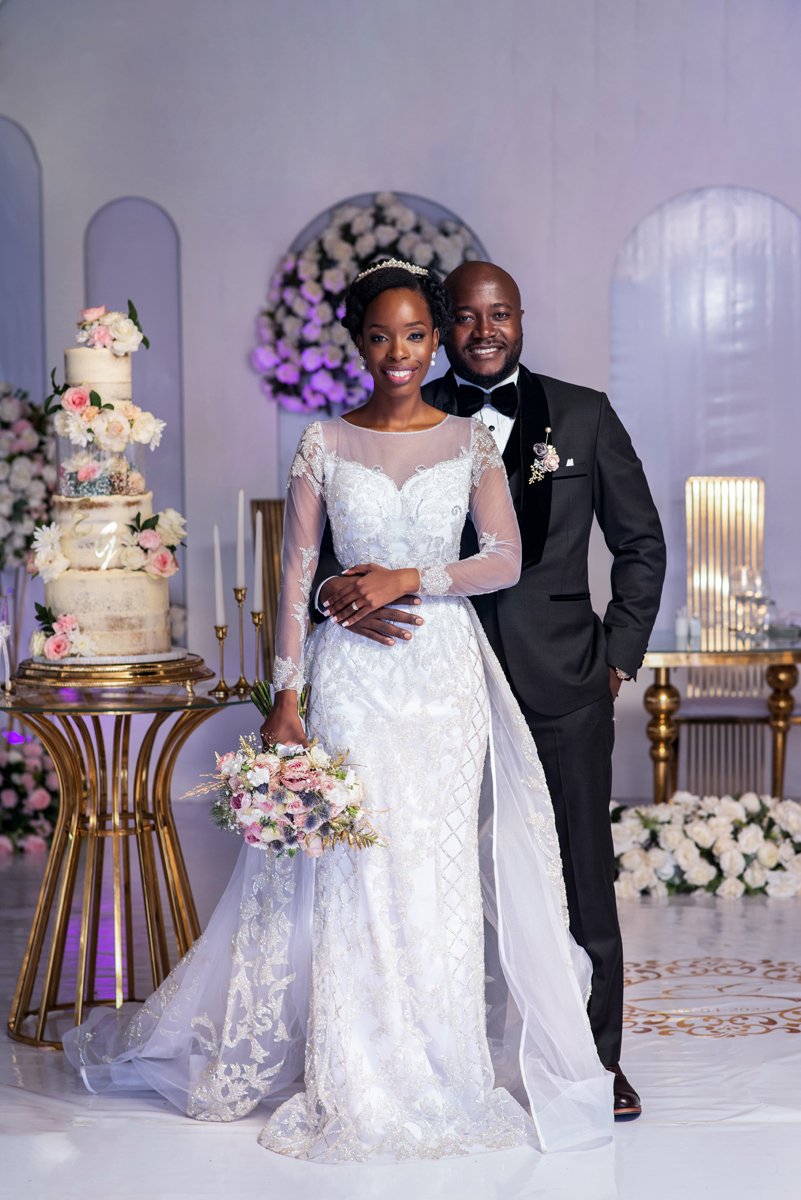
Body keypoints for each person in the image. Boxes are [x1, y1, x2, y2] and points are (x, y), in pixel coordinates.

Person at [63, 260, 613, 1162]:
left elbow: (505, 559)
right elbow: (293, 576)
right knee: (358, 872)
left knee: (434, 869)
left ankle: (445, 1067)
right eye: (381, 336)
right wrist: (286, 697)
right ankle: (356, 1070)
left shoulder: (470, 442)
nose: (400, 352)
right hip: (353, 678)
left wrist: (406, 578)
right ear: (357, 344)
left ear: (433, 342)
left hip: (441, 681)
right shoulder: (322, 441)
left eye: (416, 335)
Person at [315, 260, 666, 1121]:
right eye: (466, 318)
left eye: (498, 314)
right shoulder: (405, 407)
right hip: (428, 684)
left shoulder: (582, 414)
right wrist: (339, 599)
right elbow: (335, 546)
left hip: (560, 681)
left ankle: (594, 1061)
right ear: (444, 328)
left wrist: (616, 655)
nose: (483, 331)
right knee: (427, 872)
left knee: (579, 875)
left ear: (520, 318)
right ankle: (441, 1054)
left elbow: (640, 543)